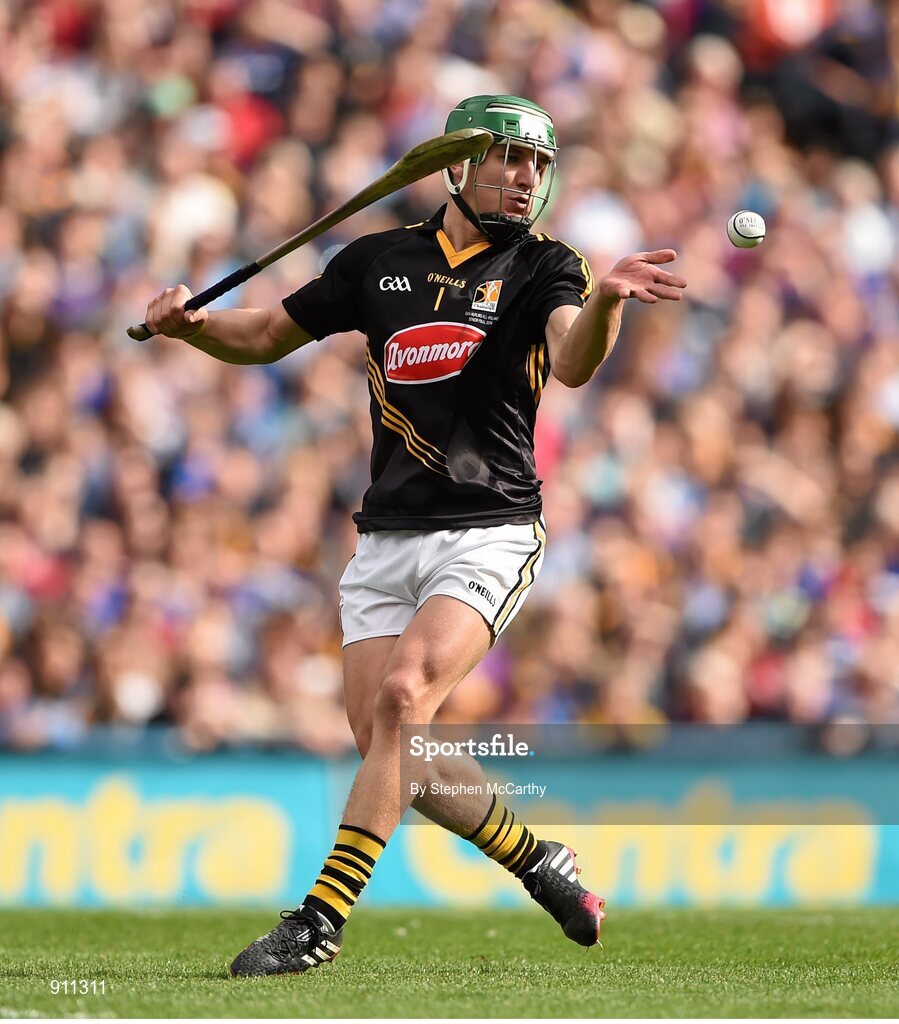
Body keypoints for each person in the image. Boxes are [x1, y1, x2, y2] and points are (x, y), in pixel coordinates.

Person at [144, 94, 687, 976]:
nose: (526, 178)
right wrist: (195, 329)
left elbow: (576, 360)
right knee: (396, 747)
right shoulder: (377, 261)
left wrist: (610, 304)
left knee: (403, 701)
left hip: (490, 529)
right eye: (509, 158)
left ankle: (317, 920)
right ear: (458, 167)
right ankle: (539, 862)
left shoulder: (548, 267)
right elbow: (269, 335)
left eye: (539, 164)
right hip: (386, 536)